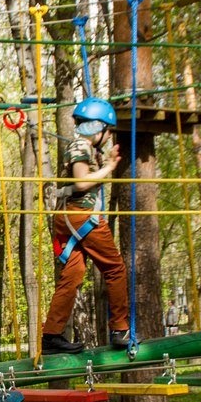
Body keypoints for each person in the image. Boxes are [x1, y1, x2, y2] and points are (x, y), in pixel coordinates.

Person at [40, 97, 132, 355]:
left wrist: (104, 164)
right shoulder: (80, 146)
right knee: (114, 269)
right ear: (97, 127)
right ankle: (119, 328)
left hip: (69, 217)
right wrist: (110, 167)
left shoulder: (83, 146)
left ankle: (51, 335)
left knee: (71, 277)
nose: (109, 135)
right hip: (82, 216)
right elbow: (81, 183)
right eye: (108, 130)